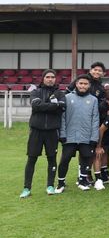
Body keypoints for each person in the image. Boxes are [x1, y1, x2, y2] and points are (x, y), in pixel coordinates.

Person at [20, 69, 65, 198]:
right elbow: (35, 106)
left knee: (51, 158)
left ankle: (50, 186)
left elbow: (61, 107)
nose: (50, 79)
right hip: (36, 131)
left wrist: (44, 105)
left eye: (52, 77)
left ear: (55, 79)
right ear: (43, 78)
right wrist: (53, 105)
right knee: (31, 159)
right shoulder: (36, 92)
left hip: (52, 132)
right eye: (48, 77)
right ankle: (26, 188)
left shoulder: (60, 93)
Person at [56, 74, 100, 193]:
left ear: (89, 85)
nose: (83, 86)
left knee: (86, 159)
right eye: (81, 83)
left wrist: (94, 137)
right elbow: (63, 118)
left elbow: (95, 119)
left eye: (85, 84)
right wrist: (63, 134)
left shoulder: (93, 100)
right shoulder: (67, 97)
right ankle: (61, 183)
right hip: (69, 136)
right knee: (65, 159)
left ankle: (82, 181)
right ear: (76, 84)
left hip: (86, 137)